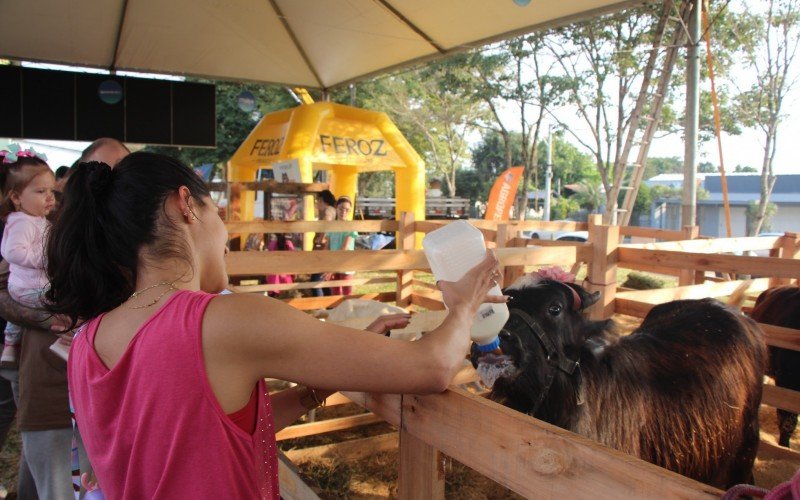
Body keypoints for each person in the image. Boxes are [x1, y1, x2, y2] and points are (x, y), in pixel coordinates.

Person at [45, 152, 504, 499]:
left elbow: (198, 437)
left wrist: (317, 387)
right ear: (185, 204)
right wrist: (464, 305)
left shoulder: (86, 341)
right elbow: (432, 366)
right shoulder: (222, 320)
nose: (225, 238)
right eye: (219, 215)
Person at [0, 150, 56, 368]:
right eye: (41, 191)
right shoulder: (22, 221)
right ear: (16, 197)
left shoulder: (38, 219)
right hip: (26, 286)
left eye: (51, 190)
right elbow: (12, 252)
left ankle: (11, 344)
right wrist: (44, 258)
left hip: (29, 285)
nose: (50, 197)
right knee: (63, 303)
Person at [325, 196, 358, 296]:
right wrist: (326, 264)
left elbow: (344, 248)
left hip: (346, 264)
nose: (343, 211)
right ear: (336, 208)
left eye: (347, 210)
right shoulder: (331, 226)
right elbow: (327, 247)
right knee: (335, 293)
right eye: (341, 208)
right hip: (333, 263)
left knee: (347, 293)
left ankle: (348, 311)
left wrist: (332, 269)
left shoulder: (351, 226)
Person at [310, 189, 336, 297]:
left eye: (317, 201)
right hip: (326, 248)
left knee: (315, 281)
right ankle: (329, 307)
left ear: (322, 200)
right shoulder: (331, 210)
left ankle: (320, 305)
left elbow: (327, 223)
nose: (316, 203)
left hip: (323, 249)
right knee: (323, 281)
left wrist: (320, 238)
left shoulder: (328, 210)